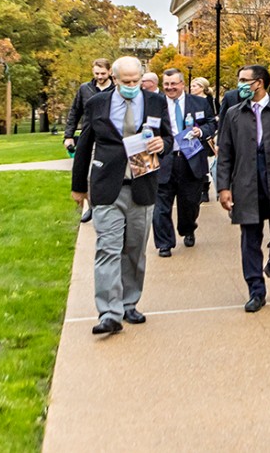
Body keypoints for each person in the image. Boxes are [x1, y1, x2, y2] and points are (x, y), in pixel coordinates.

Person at [70, 56, 173, 335]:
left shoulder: (156, 102)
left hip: (142, 185)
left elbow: (169, 138)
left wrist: (162, 143)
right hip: (107, 187)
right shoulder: (97, 104)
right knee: (108, 248)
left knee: (135, 250)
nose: (131, 85)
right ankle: (109, 312)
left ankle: (129, 303)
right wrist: (79, 186)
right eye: (125, 81)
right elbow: (84, 145)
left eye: (135, 81)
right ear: (114, 79)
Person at [216, 65, 270, 313]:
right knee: (250, 239)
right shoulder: (234, 114)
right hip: (246, 182)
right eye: (239, 80)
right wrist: (223, 187)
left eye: (245, 80)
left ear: (260, 83)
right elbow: (225, 154)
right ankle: (256, 290)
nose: (241, 84)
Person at [153, 69, 216, 256]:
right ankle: (164, 243)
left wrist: (201, 131)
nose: (170, 88)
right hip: (164, 159)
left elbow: (212, 123)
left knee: (189, 203)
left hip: (191, 159)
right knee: (160, 206)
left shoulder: (200, 102)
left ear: (182, 84)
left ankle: (188, 229)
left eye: (173, 84)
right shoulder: (156, 104)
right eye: (166, 84)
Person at [63, 58, 114, 223]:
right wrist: (68, 136)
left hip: (109, 137)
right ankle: (92, 207)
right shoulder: (85, 89)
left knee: (107, 173)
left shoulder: (116, 89)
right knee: (87, 174)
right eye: (97, 73)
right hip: (88, 135)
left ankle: (108, 208)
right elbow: (75, 112)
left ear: (110, 72)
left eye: (103, 73)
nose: (100, 77)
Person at [190, 77, 217, 202]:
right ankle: (199, 188)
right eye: (191, 86)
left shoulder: (210, 101)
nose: (192, 88)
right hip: (192, 137)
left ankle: (205, 190)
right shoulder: (190, 101)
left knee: (206, 163)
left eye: (195, 86)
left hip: (207, 138)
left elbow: (213, 119)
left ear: (202, 87)